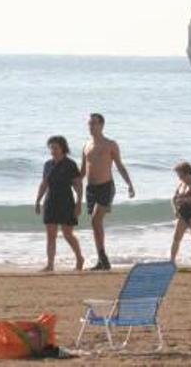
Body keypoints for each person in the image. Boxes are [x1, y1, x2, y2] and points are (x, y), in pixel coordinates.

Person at [80, 113, 135, 271]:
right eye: (89, 124)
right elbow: (82, 171)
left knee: (95, 221)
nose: (91, 126)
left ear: (102, 125)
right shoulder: (86, 145)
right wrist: (70, 182)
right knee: (96, 224)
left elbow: (119, 165)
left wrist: (129, 184)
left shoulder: (110, 144)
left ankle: (103, 258)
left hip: (106, 186)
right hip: (91, 189)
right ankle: (101, 260)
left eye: (94, 124)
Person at [34, 135, 84, 272]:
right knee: (50, 235)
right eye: (51, 148)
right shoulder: (47, 165)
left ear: (63, 148)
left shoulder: (70, 164)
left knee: (67, 234)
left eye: (55, 148)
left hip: (66, 201)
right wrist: (38, 200)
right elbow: (44, 184)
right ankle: (50, 264)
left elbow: (78, 186)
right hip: (50, 201)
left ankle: (79, 258)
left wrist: (79, 203)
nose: (53, 151)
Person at [169, 160, 191, 265]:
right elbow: (173, 198)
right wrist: (175, 209)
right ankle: (171, 260)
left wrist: (185, 200)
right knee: (176, 237)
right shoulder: (181, 184)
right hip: (183, 212)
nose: (178, 176)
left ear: (186, 172)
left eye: (179, 173)